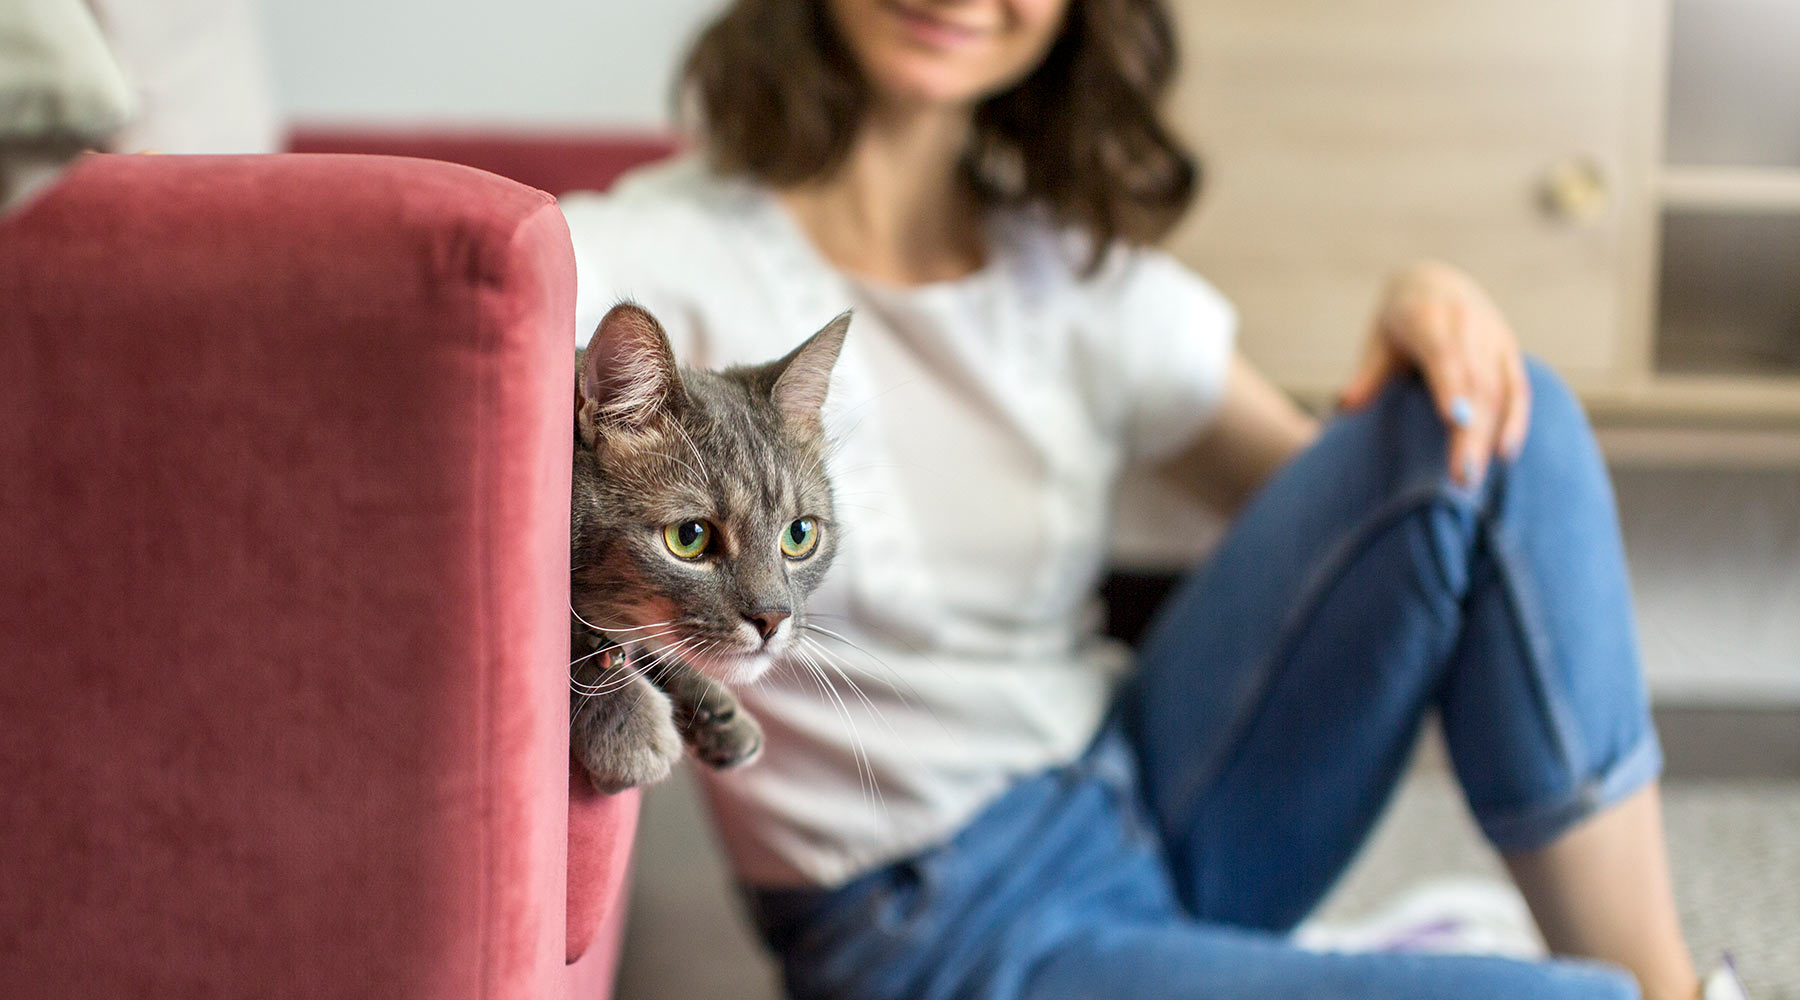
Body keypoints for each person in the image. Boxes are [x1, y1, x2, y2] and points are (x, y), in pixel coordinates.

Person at [561, 1, 1724, 997]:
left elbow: (1400, 513)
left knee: (1498, 417)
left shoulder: (1071, 272)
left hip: (1155, 786)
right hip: (949, 925)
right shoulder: (642, 249)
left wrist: (1433, 308)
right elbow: (439, 369)